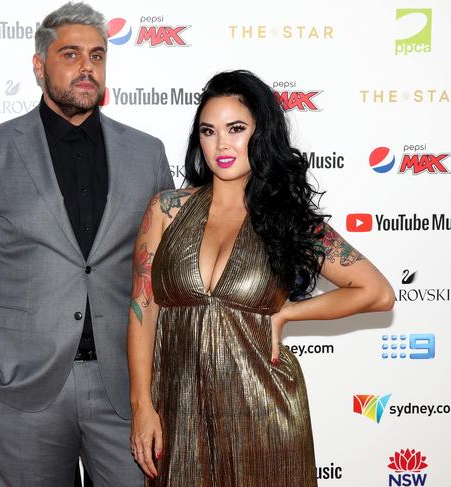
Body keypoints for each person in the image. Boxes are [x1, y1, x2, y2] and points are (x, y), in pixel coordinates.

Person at [0, 3, 174, 486]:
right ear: (39, 65)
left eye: (97, 55)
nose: (86, 66)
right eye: (70, 54)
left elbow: (163, 273)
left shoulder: (146, 153)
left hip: (125, 387)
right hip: (18, 389)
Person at [127, 70, 394, 486]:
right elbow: (142, 309)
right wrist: (142, 405)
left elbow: (376, 292)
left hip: (263, 411)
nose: (222, 144)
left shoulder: (286, 219)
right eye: (209, 131)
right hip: (178, 409)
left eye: (237, 129)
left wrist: (286, 314)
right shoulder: (166, 210)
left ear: (261, 134)